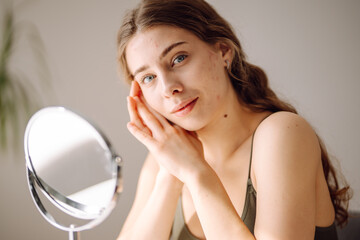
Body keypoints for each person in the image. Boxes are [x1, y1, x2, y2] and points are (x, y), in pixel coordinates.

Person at [116, 0, 351, 239]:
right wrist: (170, 176)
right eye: (148, 78)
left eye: (179, 58)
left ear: (223, 51)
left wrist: (196, 174)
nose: (168, 88)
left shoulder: (281, 134)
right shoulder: (165, 157)